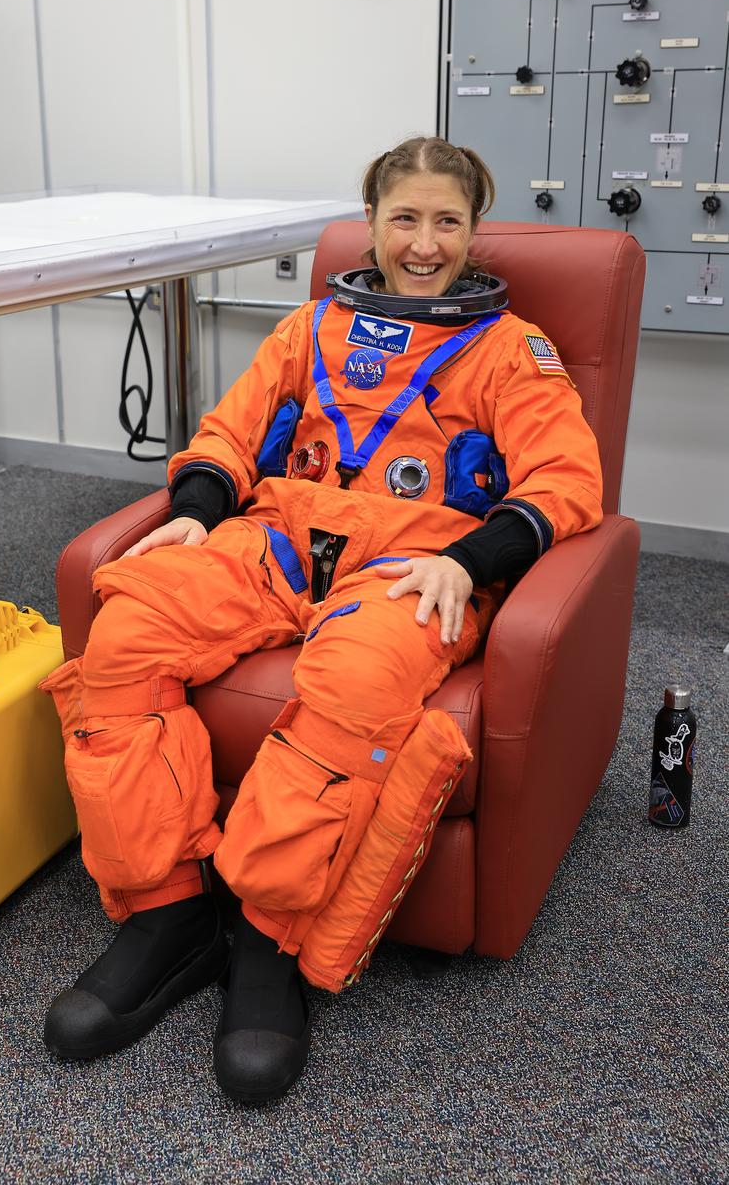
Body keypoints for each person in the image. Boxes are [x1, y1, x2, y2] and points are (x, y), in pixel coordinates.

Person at [40, 136, 603, 1102]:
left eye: (447, 221)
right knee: (126, 635)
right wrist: (193, 513)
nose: (423, 243)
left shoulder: (513, 351)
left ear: (474, 231)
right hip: (283, 541)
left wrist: (468, 563)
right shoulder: (310, 328)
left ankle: (266, 935)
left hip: (418, 565)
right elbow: (229, 431)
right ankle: (166, 911)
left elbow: (565, 479)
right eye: (404, 218)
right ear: (371, 220)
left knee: (351, 687)